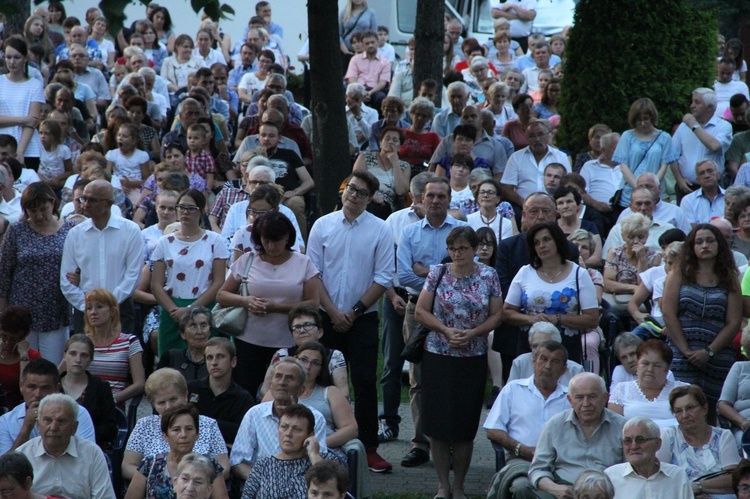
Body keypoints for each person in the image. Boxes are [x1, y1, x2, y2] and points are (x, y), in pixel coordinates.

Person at [307, 170, 394, 473]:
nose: (353, 195)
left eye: (360, 192)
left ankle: (369, 446)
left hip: (363, 318)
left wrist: (353, 313)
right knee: (321, 379)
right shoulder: (322, 225)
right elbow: (313, 273)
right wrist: (332, 312)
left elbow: (383, 278)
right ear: (342, 190)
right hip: (326, 316)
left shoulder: (381, 230)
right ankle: (325, 440)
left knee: (365, 382)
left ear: (370, 199)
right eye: (350, 189)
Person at [413, 226, 502, 499]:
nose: (457, 253)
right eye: (453, 248)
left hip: (472, 358)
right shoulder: (437, 273)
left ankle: (460, 486)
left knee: (464, 427)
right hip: (438, 356)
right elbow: (420, 311)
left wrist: (474, 333)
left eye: (463, 248)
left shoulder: (489, 275)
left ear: (475, 249)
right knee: (437, 425)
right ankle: (442, 485)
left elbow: (497, 315)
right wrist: (445, 330)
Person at [396, 177, 467, 469]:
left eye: (441, 196)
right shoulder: (410, 233)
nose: (436, 201)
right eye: (431, 196)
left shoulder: (464, 232)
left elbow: (470, 271)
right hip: (417, 312)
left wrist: (426, 271)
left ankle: (450, 443)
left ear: (449, 199)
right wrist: (444, 276)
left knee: (453, 379)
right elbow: (404, 276)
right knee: (419, 380)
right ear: (421, 199)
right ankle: (420, 443)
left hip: (457, 313)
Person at [217, 211, 318, 396]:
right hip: (248, 340)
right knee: (246, 391)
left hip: (288, 341)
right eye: (266, 240)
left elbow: (313, 303)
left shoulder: (304, 263)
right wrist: (246, 301)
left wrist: (277, 307)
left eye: (276, 240)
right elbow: (222, 295)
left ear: (287, 237)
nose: (271, 246)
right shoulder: (247, 260)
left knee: (284, 391)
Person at [662, 224, 742, 416]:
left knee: (712, 410)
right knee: (682, 408)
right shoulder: (679, 273)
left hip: (717, 355)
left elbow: (734, 321)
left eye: (710, 240)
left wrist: (709, 352)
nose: (704, 245)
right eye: (699, 242)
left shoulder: (729, 277)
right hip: (682, 354)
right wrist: (685, 350)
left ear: (719, 244)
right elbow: (668, 313)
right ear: (692, 246)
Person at [503, 222, 598, 364]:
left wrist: (558, 318)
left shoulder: (579, 274)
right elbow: (507, 312)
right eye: (536, 242)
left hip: (567, 348)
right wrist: (531, 319)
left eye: (546, 239)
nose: (541, 245)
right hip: (530, 347)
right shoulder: (525, 272)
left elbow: (592, 318)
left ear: (558, 241)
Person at [519, 373, 625, 499]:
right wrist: (555, 489)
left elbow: (632, 470)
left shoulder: (622, 427)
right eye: (579, 397)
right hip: (565, 491)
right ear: (570, 400)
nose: (586, 403)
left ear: (605, 397)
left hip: (608, 492)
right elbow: (538, 470)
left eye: (592, 397)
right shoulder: (555, 425)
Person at [60, 180, 143, 335]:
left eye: (92, 200)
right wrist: (89, 307)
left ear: (108, 203)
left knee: (120, 358)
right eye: (84, 198)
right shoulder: (75, 234)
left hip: (120, 309)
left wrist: (109, 305)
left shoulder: (130, 230)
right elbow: (66, 280)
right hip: (84, 311)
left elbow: (133, 275)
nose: (85, 204)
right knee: (85, 358)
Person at [152, 189, 227, 355]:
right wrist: (174, 310)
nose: (185, 212)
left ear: (201, 211)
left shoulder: (215, 240)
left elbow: (218, 281)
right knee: (169, 360)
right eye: (181, 207)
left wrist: (192, 309)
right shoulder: (164, 242)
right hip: (172, 310)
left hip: (204, 307)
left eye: (191, 208)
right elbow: (156, 284)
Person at [231, 358, 329, 481]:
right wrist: (265, 483)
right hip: (261, 485)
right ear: (270, 385)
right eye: (278, 376)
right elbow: (237, 461)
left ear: (301, 389)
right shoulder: (254, 414)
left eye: (289, 378)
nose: (282, 382)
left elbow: (319, 465)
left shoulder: (316, 418)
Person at [122, 368, 229, 481]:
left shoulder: (208, 425)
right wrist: (161, 481)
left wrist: (193, 481)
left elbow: (224, 468)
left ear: (185, 396)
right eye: (161, 402)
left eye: (173, 399)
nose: (168, 407)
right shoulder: (144, 425)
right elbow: (127, 466)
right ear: (153, 404)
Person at [485, 340, 571, 473]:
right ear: (533, 362)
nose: (547, 366)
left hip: (562, 462)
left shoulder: (571, 398)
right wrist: (522, 449)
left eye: (555, 362)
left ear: (564, 369)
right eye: (543, 359)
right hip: (520, 458)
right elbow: (493, 429)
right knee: (521, 487)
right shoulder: (513, 389)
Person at [16, 394, 114, 499]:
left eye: (61, 421)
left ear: (74, 428)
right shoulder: (23, 455)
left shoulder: (92, 453)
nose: (53, 427)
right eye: (48, 420)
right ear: (38, 425)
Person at [124, 404, 228, 499]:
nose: (183, 435)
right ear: (165, 436)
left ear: (197, 434)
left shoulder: (210, 465)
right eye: (176, 430)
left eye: (189, 429)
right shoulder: (149, 464)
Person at [64, 288, 145, 406]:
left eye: (99, 307)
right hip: (80, 403)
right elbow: (58, 374)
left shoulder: (129, 341)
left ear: (112, 311)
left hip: (112, 406)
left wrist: (111, 399)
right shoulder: (80, 342)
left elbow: (139, 384)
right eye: (89, 308)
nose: (93, 312)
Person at [657, 385, 741, 497]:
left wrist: (698, 487)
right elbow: (659, 477)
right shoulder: (669, 435)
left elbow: (732, 479)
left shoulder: (723, 436)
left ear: (704, 409)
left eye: (690, 408)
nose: (685, 415)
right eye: (678, 411)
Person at [0, 358, 96, 455]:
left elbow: (88, 455)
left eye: (45, 388)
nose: (37, 394)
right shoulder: (6, 421)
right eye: (31, 387)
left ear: (57, 388)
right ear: (21, 386)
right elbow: (5, 467)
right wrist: (26, 429)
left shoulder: (78, 413)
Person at [242, 404, 328, 499]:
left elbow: (330, 489)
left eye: (297, 429)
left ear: (310, 435)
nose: (288, 434)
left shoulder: (324, 462)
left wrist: (314, 455)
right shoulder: (263, 466)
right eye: (284, 427)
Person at [611, 98, 679, 210]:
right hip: (630, 192)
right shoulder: (627, 136)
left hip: (655, 194)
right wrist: (639, 188)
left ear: (652, 117)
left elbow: (664, 165)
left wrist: (652, 187)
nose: (643, 123)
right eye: (638, 120)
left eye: (646, 119)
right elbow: (623, 166)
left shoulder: (664, 137)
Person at [187, 338, 256, 446]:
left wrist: (201, 423)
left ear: (233, 362)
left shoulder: (243, 398)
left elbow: (243, 433)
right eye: (210, 358)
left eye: (220, 356)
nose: (214, 362)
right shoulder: (190, 388)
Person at [607, 339, 688, 429]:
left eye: (657, 365)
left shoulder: (683, 390)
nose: (650, 369)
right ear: (637, 365)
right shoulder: (621, 390)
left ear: (667, 369)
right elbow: (614, 430)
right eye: (645, 364)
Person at [604, 416, 693, 497]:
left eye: (640, 440)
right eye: (628, 441)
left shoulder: (677, 476)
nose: (634, 446)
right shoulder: (610, 477)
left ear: (657, 444)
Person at [671, 88, 732, 202]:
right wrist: (679, 179)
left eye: (697, 102)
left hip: (712, 186)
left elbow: (714, 146)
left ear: (710, 107)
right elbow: (672, 154)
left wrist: (694, 126)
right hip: (687, 187)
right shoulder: (684, 126)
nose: (692, 106)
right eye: (692, 101)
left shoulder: (723, 126)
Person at [59, 334, 117, 448]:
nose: (78, 360)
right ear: (64, 356)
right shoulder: (53, 385)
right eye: (73, 353)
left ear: (91, 359)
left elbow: (111, 428)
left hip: (91, 447)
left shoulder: (101, 387)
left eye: (84, 355)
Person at [501, 119, 571, 209]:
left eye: (540, 134)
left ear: (548, 135)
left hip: (555, 207)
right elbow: (507, 189)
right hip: (522, 206)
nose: (537, 139)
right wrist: (526, 204)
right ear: (526, 138)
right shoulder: (516, 157)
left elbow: (568, 185)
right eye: (532, 136)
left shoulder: (561, 157)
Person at [0, 38, 44, 169]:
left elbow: (32, 122)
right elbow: (28, 120)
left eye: (16, 57)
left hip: (28, 148)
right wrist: (23, 119)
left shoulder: (34, 85)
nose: (12, 62)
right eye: (8, 57)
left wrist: (20, 152)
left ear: (25, 58)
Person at [602, 212, 661, 308]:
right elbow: (607, 284)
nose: (636, 241)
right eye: (631, 237)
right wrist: (634, 288)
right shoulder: (614, 253)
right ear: (623, 236)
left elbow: (645, 286)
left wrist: (642, 260)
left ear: (647, 236)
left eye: (641, 237)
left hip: (643, 300)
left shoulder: (655, 257)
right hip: (616, 297)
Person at [352, 126, 410, 219]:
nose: (390, 142)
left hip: (384, 204)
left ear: (399, 147)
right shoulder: (365, 157)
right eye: (387, 139)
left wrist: (395, 163)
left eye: (395, 140)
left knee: (373, 208)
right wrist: (371, 194)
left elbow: (401, 191)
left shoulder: (404, 166)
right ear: (380, 143)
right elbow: (357, 179)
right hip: (362, 195)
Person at [507, 322, 584, 385]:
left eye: (544, 346)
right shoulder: (520, 363)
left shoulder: (575, 370)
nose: (539, 351)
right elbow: (510, 393)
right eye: (535, 346)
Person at [158, 307, 212, 383]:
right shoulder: (171, 358)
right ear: (183, 334)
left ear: (209, 332)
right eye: (193, 326)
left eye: (203, 326)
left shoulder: (216, 360)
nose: (199, 332)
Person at [0, 307, 41, 408]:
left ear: (26, 334)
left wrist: (23, 355)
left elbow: (26, 389)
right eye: (4, 336)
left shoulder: (33, 357)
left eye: (14, 339)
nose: (7, 342)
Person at [555, 185, 602, 267]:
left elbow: (597, 258)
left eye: (569, 201)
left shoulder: (590, 226)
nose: (565, 206)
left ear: (577, 204)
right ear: (556, 209)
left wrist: (576, 265)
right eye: (560, 203)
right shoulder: (552, 228)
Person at [680, 159, 726, 227]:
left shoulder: (730, 197)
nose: (707, 176)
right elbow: (691, 230)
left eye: (710, 171)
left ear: (718, 175)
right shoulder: (688, 201)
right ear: (697, 180)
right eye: (702, 173)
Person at [399, 98, 440, 173]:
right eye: (417, 114)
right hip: (402, 172)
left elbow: (436, 159)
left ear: (428, 118)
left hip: (424, 173)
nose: (420, 118)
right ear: (411, 114)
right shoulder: (401, 133)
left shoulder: (433, 136)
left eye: (424, 116)